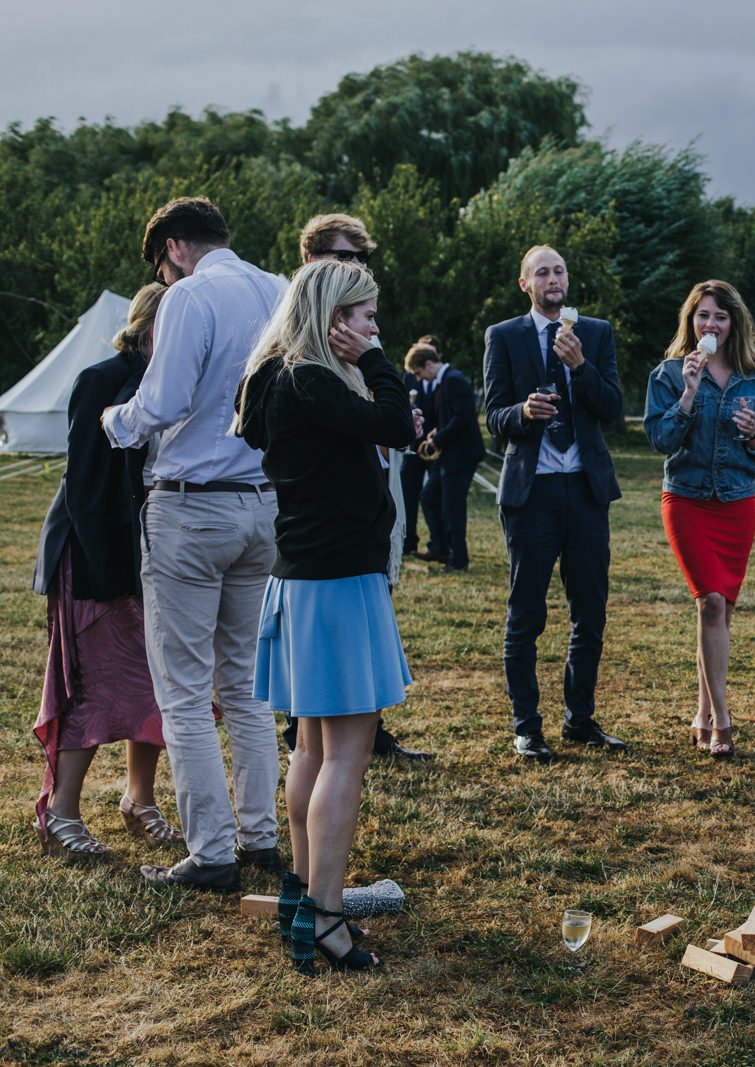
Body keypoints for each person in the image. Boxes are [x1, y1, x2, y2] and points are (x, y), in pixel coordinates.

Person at [233, 257, 415, 974]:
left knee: (311, 747)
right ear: (334, 319)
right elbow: (397, 423)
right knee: (345, 751)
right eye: (365, 317)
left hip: (306, 578)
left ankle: (306, 899)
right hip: (336, 581)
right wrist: (373, 361)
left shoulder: (280, 379)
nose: (375, 330)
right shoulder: (310, 379)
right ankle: (328, 918)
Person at [102, 196, 284, 890]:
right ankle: (260, 838)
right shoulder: (278, 288)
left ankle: (210, 851)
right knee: (243, 685)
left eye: (161, 263)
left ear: (175, 247)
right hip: (262, 504)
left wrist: (115, 422)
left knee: (182, 691)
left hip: (192, 506)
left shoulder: (189, 297)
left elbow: (165, 400)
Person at [32, 283, 182, 858]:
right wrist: (107, 572)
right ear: (149, 326)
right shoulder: (99, 379)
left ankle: (139, 800)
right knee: (91, 684)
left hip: (159, 552)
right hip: (96, 555)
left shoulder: (178, 385)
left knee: (154, 682)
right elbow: (86, 487)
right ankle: (62, 811)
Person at [288, 214, 432, 762]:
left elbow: (376, 416)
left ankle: (365, 724)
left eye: (361, 259)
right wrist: (385, 414)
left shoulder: (350, 329)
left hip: (367, 485)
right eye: (345, 258)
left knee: (372, 603)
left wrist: (392, 418)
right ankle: (333, 725)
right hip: (327, 522)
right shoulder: (306, 354)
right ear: (314, 262)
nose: (355, 268)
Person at [483, 245, 625, 763]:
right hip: (532, 490)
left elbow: (612, 408)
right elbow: (494, 415)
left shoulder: (596, 332)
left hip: (586, 489)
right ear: (526, 284)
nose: (553, 278)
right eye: (542, 272)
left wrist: (581, 367)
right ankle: (527, 727)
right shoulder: (504, 336)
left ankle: (579, 719)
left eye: (559, 269)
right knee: (527, 612)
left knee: (590, 611)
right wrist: (522, 412)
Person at [644, 280, 755, 758]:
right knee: (710, 602)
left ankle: (703, 711)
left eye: (720, 316)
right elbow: (660, 441)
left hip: (737, 504)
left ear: (733, 324)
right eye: (703, 315)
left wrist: (754, 436)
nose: (711, 324)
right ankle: (722, 719)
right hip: (686, 501)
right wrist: (687, 395)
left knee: (722, 609)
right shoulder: (668, 373)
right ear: (691, 321)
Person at [416, 337, 485, 573]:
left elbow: (463, 418)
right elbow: (453, 416)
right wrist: (439, 429)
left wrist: (438, 437)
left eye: (418, 373)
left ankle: (459, 560)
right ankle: (441, 547)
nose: (419, 378)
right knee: (430, 496)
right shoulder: (445, 381)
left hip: (462, 455)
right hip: (450, 454)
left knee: (453, 508)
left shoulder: (454, 380)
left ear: (427, 365)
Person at [400, 339, 441, 558]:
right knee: (410, 494)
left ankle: (437, 542)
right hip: (415, 447)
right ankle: (409, 541)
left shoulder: (442, 380)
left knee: (433, 495)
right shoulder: (409, 377)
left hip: (436, 445)